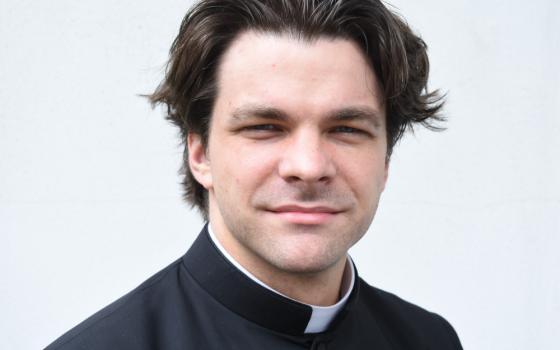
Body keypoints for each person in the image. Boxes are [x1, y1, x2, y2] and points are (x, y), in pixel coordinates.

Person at [46, 0, 462, 349]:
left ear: (385, 160)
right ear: (200, 154)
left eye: (346, 129)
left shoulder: (428, 340)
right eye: (264, 127)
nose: (309, 167)